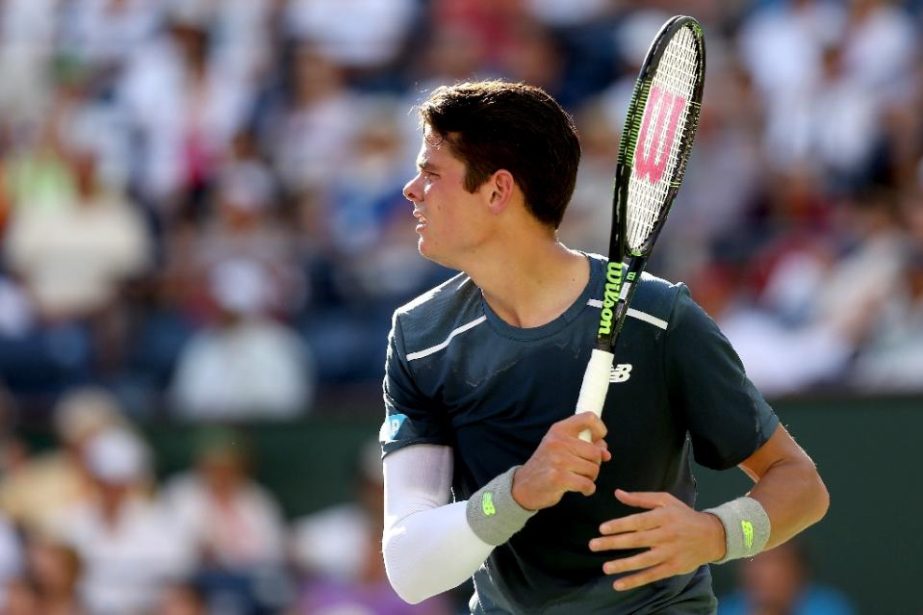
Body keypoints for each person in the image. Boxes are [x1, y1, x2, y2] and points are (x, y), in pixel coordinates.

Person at [379, 80, 829, 614]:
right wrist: (520, 491)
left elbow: (800, 484)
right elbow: (410, 568)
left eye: (431, 173)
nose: (411, 189)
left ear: (498, 190)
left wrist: (717, 533)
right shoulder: (420, 337)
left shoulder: (659, 318)